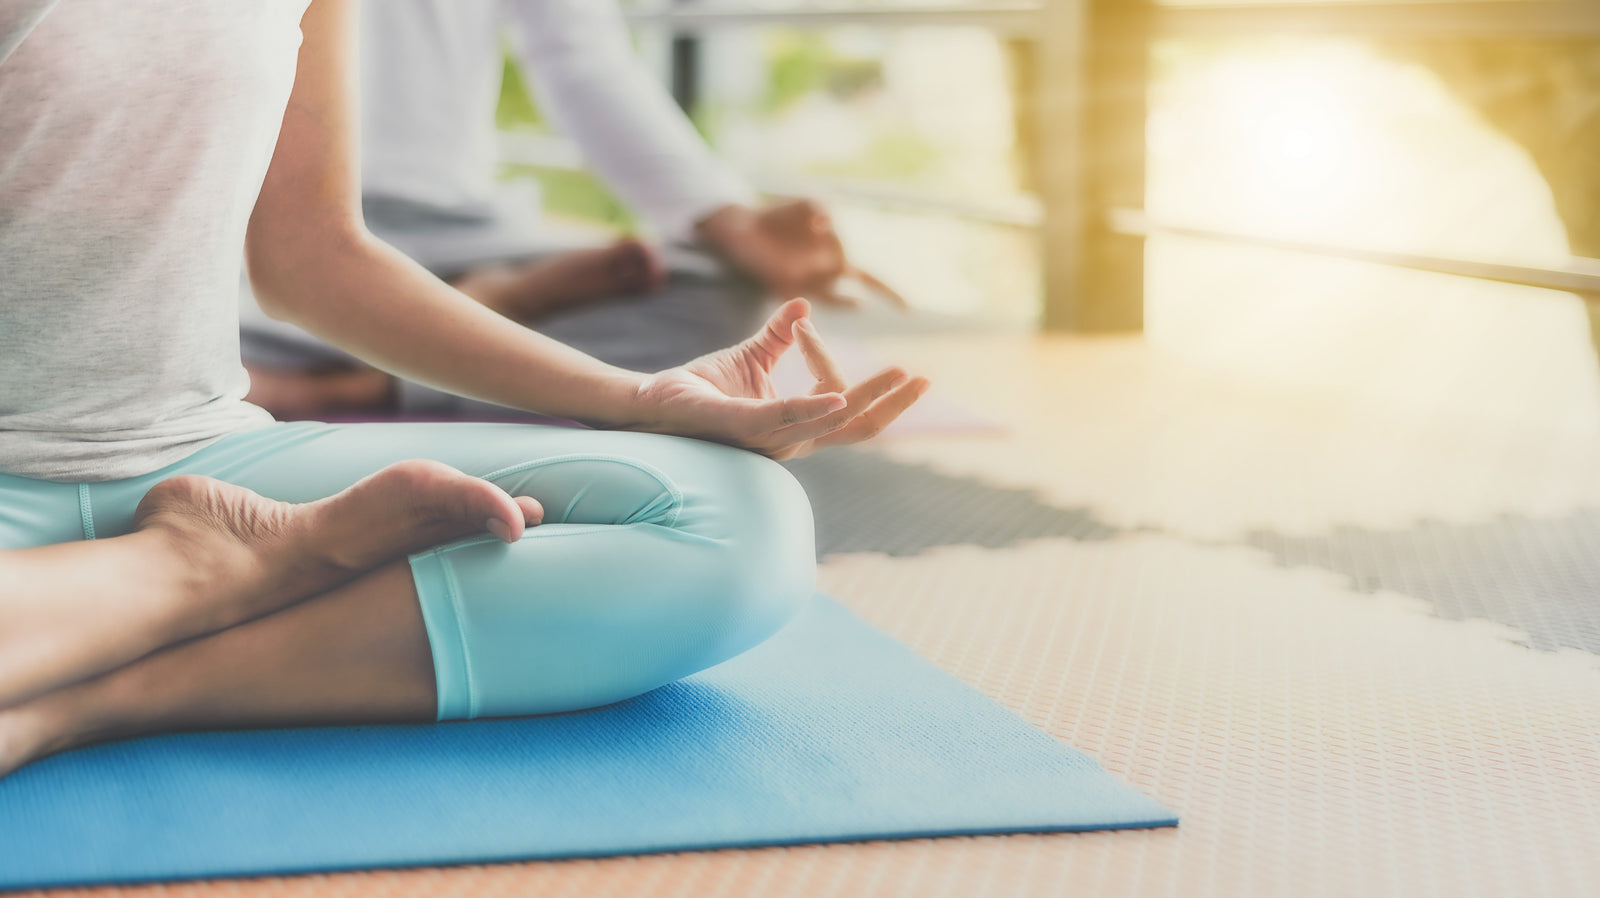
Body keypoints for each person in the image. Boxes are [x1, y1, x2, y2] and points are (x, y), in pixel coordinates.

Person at [0, 0, 927, 778]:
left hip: (205, 458)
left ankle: (92, 694)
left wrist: (643, 402)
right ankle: (191, 575)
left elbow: (315, 258)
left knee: (740, 520)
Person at [241, 0, 905, 419]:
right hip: (251, 233)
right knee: (159, 338)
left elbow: (580, 55)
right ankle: (476, 323)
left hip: (458, 224)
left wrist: (732, 222)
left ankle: (361, 385)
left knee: (722, 297)